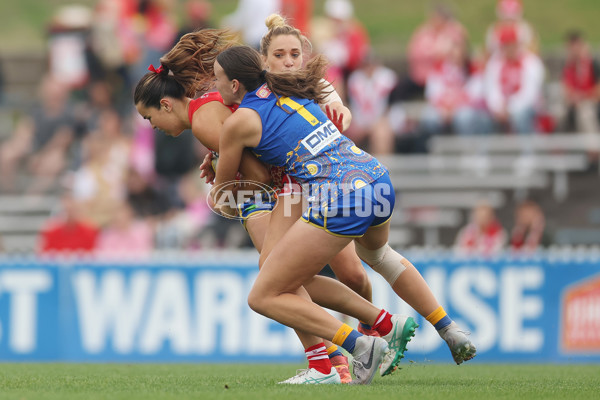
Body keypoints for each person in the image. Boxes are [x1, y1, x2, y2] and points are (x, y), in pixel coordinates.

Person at [134, 29, 418, 385]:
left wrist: (225, 179)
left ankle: (332, 360)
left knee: (275, 281)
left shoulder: (202, 120)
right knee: (309, 277)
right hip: (303, 184)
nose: (154, 127)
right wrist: (220, 155)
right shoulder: (209, 107)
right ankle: (372, 331)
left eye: (149, 118)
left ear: (164, 105)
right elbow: (243, 140)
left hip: (279, 192)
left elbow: (256, 172)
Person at [211, 44, 476, 381]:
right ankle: (444, 327)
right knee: (376, 256)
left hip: (339, 196)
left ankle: (363, 343)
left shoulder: (240, 121)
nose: (215, 87)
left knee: (264, 294)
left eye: (218, 79)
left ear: (235, 85)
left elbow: (224, 193)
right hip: (377, 180)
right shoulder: (293, 89)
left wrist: (219, 159)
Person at [483, 25, 545, 134]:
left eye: (511, 44)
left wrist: (510, 109)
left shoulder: (531, 63)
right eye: (505, 45)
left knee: (520, 117)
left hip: (527, 108)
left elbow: (529, 94)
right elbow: (491, 90)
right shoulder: (494, 63)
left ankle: (528, 150)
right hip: (500, 110)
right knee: (480, 120)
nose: (509, 48)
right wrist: (498, 107)